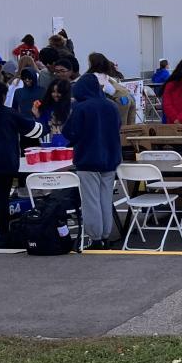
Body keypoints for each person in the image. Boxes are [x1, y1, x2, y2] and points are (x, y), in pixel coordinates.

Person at [0, 82, 43, 248]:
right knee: (2, 198)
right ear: (3, 96)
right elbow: (35, 131)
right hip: (5, 160)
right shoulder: (8, 113)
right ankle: (4, 236)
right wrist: (37, 117)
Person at [62, 72, 122, 249]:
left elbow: (70, 132)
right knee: (105, 199)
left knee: (91, 201)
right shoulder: (111, 106)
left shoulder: (81, 108)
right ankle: (105, 235)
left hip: (88, 159)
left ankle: (95, 238)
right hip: (110, 158)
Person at [34, 78, 72, 143]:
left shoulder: (72, 107)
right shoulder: (46, 107)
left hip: (67, 147)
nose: (55, 95)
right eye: (53, 91)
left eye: (59, 92)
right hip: (48, 146)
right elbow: (42, 129)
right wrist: (37, 115)